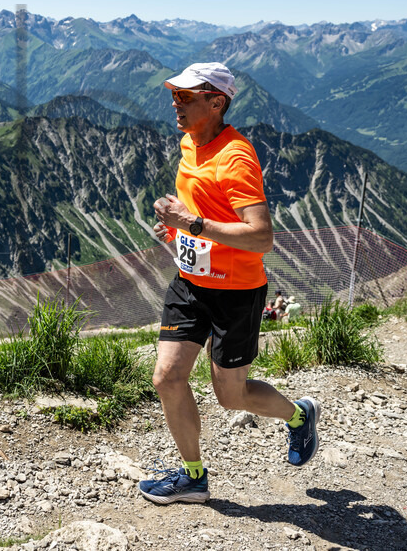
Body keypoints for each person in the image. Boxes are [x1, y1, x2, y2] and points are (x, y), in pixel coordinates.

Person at [139, 62, 320, 506]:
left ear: (216, 102)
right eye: (175, 95)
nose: (175, 103)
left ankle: (298, 416)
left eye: (186, 96)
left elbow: (261, 237)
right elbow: (200, 207)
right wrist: (177, 227)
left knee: (231, 396)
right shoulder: (189, 142)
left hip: (236, 292)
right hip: (190, 283)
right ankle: (193, 477)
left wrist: (192, 223)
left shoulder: (235, 156)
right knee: (167, 377)